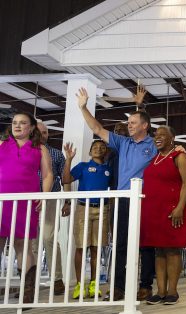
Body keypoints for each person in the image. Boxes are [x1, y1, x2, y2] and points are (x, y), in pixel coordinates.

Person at [76, 86, 158, 301]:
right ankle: (119, 288)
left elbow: (171, 151)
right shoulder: (123, 143)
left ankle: (145, 286)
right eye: (128, 123)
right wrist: (83, 107)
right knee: (120, 243)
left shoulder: (155, 143)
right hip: (122, 199)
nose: (128, 126)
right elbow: (97, 128)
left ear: (145, 126)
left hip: (145, 200)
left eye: (132, 123)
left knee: (146, 243)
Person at [0, 111, 53, 303]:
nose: (17, 126)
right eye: (15, 122)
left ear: (31, 128)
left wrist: (44, 196)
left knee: (22, 245)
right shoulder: (1, 145)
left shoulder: (40, 149)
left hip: (26, 203)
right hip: (1, 202)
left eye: (23, 123)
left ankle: (27, 292)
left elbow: (47, 175)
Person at [140, 126, 186, 305]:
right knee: (159, 251)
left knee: (171, 249)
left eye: (163, 135)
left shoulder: (179, 156)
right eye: (156, 135)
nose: (158, 137)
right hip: (154, 211)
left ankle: (172, 291)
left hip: (173, 210)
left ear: (172, 138)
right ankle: (160, 291)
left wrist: (179, 208)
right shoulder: (154, 158)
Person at [62, 140, 112, 299]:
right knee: (81, 248)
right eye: (95, 147)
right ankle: (79, 284)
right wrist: (68, 159)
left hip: (102, 209)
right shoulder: (83, 166)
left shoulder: (109, 169)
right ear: (90, 152)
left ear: (106, 152)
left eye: (102, 147)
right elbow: (66, 179)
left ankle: (93, 284)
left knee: (97, 248)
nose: (98, 149)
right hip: (83, 208)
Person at [35, 122, 67, 295]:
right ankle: (29, 282)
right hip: (29, 200)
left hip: (51, 199)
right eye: (39, 132)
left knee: (49, 238)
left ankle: (57, 279)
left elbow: (64, 178)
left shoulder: (55, 154)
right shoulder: (27, 152)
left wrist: (67, 202)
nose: (43, 135)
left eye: (46, 132)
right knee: (30, 242)